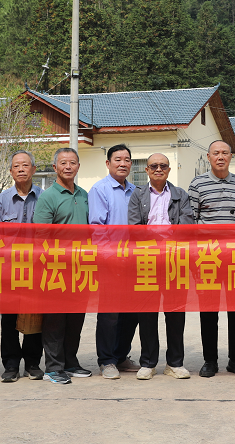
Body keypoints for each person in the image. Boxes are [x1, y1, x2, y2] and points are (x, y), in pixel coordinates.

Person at [187, 140, 235, 378]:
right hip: (207, 257)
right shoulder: (198, 184)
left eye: (225, 153)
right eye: (216, 153)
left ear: (231, 156)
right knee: (209, 310)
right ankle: (210, 361)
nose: (220, 157)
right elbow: (190, 219)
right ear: (208, 157)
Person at [128, 152, 195, 380]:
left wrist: (157, 235)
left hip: (175, 262)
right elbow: (135, 229)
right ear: (146, 170)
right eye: (153, 166)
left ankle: (175, 363)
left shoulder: (180, 195)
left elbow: (186, 228)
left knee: (176, 314)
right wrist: (164, 236)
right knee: (147, 314)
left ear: (169, 169)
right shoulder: (137, 196)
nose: (158, 169)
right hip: (147, 262)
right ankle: (148, 362)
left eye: (163, 166)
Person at [32, 147, 91, 384]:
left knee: (76, 319)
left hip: (82, 267)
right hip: (56, 268)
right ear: (55, 167)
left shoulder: (84, 194)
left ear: (78, 167)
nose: (68, 167)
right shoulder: (48, 197)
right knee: (55, 320)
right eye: (63, 163)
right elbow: (40, 236)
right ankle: (53, 367)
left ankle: (71, 362)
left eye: (73, 163)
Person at [89, 144, 141, 380]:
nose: (123, 163)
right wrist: (110, 259)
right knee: (110, 314)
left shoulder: (137, 191)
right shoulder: (100, 190)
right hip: (111, 262)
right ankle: (107, 360)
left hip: (135, 262)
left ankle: (121, 356)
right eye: (118, 159)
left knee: (132, 312)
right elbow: (97, 229)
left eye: (127, 159)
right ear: (108, 163)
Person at [0, 150, 44, 382]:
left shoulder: (45, 197)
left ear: (34, 169)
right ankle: (11, 364)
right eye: (16, 166)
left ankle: (33, 363)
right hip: (10, 268)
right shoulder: (2, 199)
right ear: (11, 171)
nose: (21, 169)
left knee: (37, 316)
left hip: (38, 267)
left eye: (26, 165)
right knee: (9, 318)